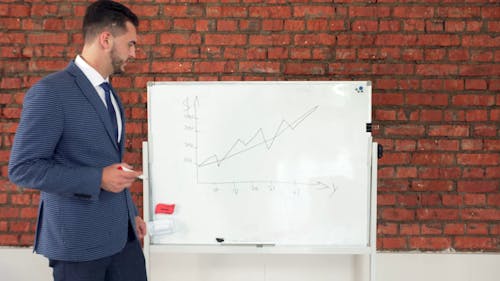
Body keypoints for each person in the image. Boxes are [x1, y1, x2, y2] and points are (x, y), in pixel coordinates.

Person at [8, 1, 148, 280]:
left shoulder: (109, 92)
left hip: (123, 238)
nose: (134, 52)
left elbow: (109, 163)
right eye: (130, 44)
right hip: (77, 245)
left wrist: (129, 213)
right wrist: (97, 178)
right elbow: (23, 168)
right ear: (106, 39)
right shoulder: (51, 92)